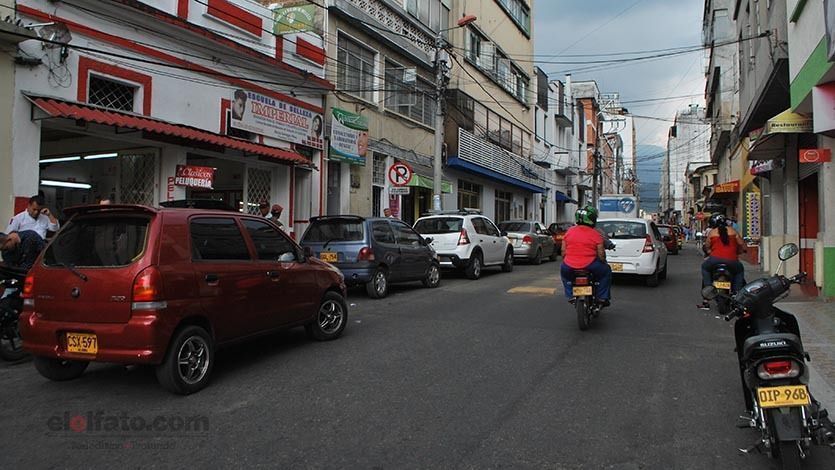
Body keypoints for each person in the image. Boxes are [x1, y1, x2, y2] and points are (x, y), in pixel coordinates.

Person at [560, 206, 612, 307]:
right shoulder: (596, 234)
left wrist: (568, 260)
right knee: (606, 272)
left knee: (565, 276)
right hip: (591, 265)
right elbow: (601, 254)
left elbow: (563, 252)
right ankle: (602, 297)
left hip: (569, 265)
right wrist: (604, 262)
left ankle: (570, 294)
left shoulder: (569, 231)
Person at [698, 213, 746, 310]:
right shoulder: (733, 231)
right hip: (732, 261)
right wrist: (740, 251)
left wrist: (709, 252)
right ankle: (737, 293)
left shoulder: (712, 232)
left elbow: (707, 246)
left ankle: (708, 289)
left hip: (714, 260)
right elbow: (742, 245)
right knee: (739, 271)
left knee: (705, 268)